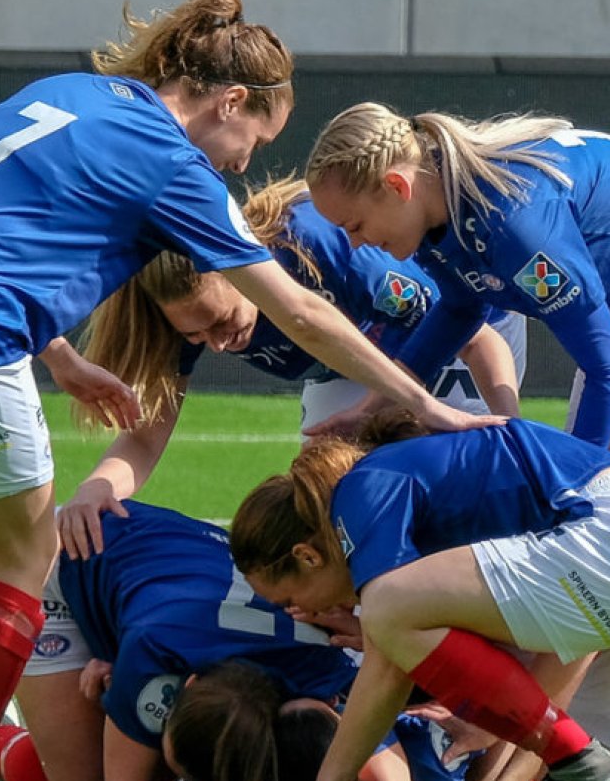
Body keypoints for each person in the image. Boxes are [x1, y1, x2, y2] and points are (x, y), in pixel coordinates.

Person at [0, 0, 498, 781]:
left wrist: (58, 353)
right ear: (232, 100)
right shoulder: (176, 165)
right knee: (21, 563)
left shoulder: (63, 91)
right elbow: (302, 312)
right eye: (255, 138)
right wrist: (422, 405)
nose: (244, 163)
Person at [229, 413, 610, 781]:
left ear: (309, 555)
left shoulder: (366, 491)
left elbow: (390, 644)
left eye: (288, 600)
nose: (298, 614)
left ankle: (582, 764)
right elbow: (572, 641)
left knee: (387, 610)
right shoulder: (434, 530)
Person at [303, 104, 610, 514]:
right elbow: (459, 309)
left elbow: (606, 369)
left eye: (355, 224)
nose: (356, 243)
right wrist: (369, 410)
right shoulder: (436, 211)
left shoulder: (515, 224)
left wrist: (563, 486)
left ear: (396, 186)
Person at [53, 174, 523, 560]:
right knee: (324, 505)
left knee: (460, 490)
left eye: (222, 322)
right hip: (351, 362)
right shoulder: (189, 313)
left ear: (239, 270)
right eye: (196, 336)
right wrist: (96, 489)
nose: (216, 346)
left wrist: (516, 443)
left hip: (460, 329)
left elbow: (476, 340)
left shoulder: (328, 253)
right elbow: (146, 432)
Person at [0, 500, 479, 781]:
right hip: (74, 554)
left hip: (175, 594)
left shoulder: (326, 679)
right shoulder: (154, 656)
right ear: (187, 686)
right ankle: (0, 741)